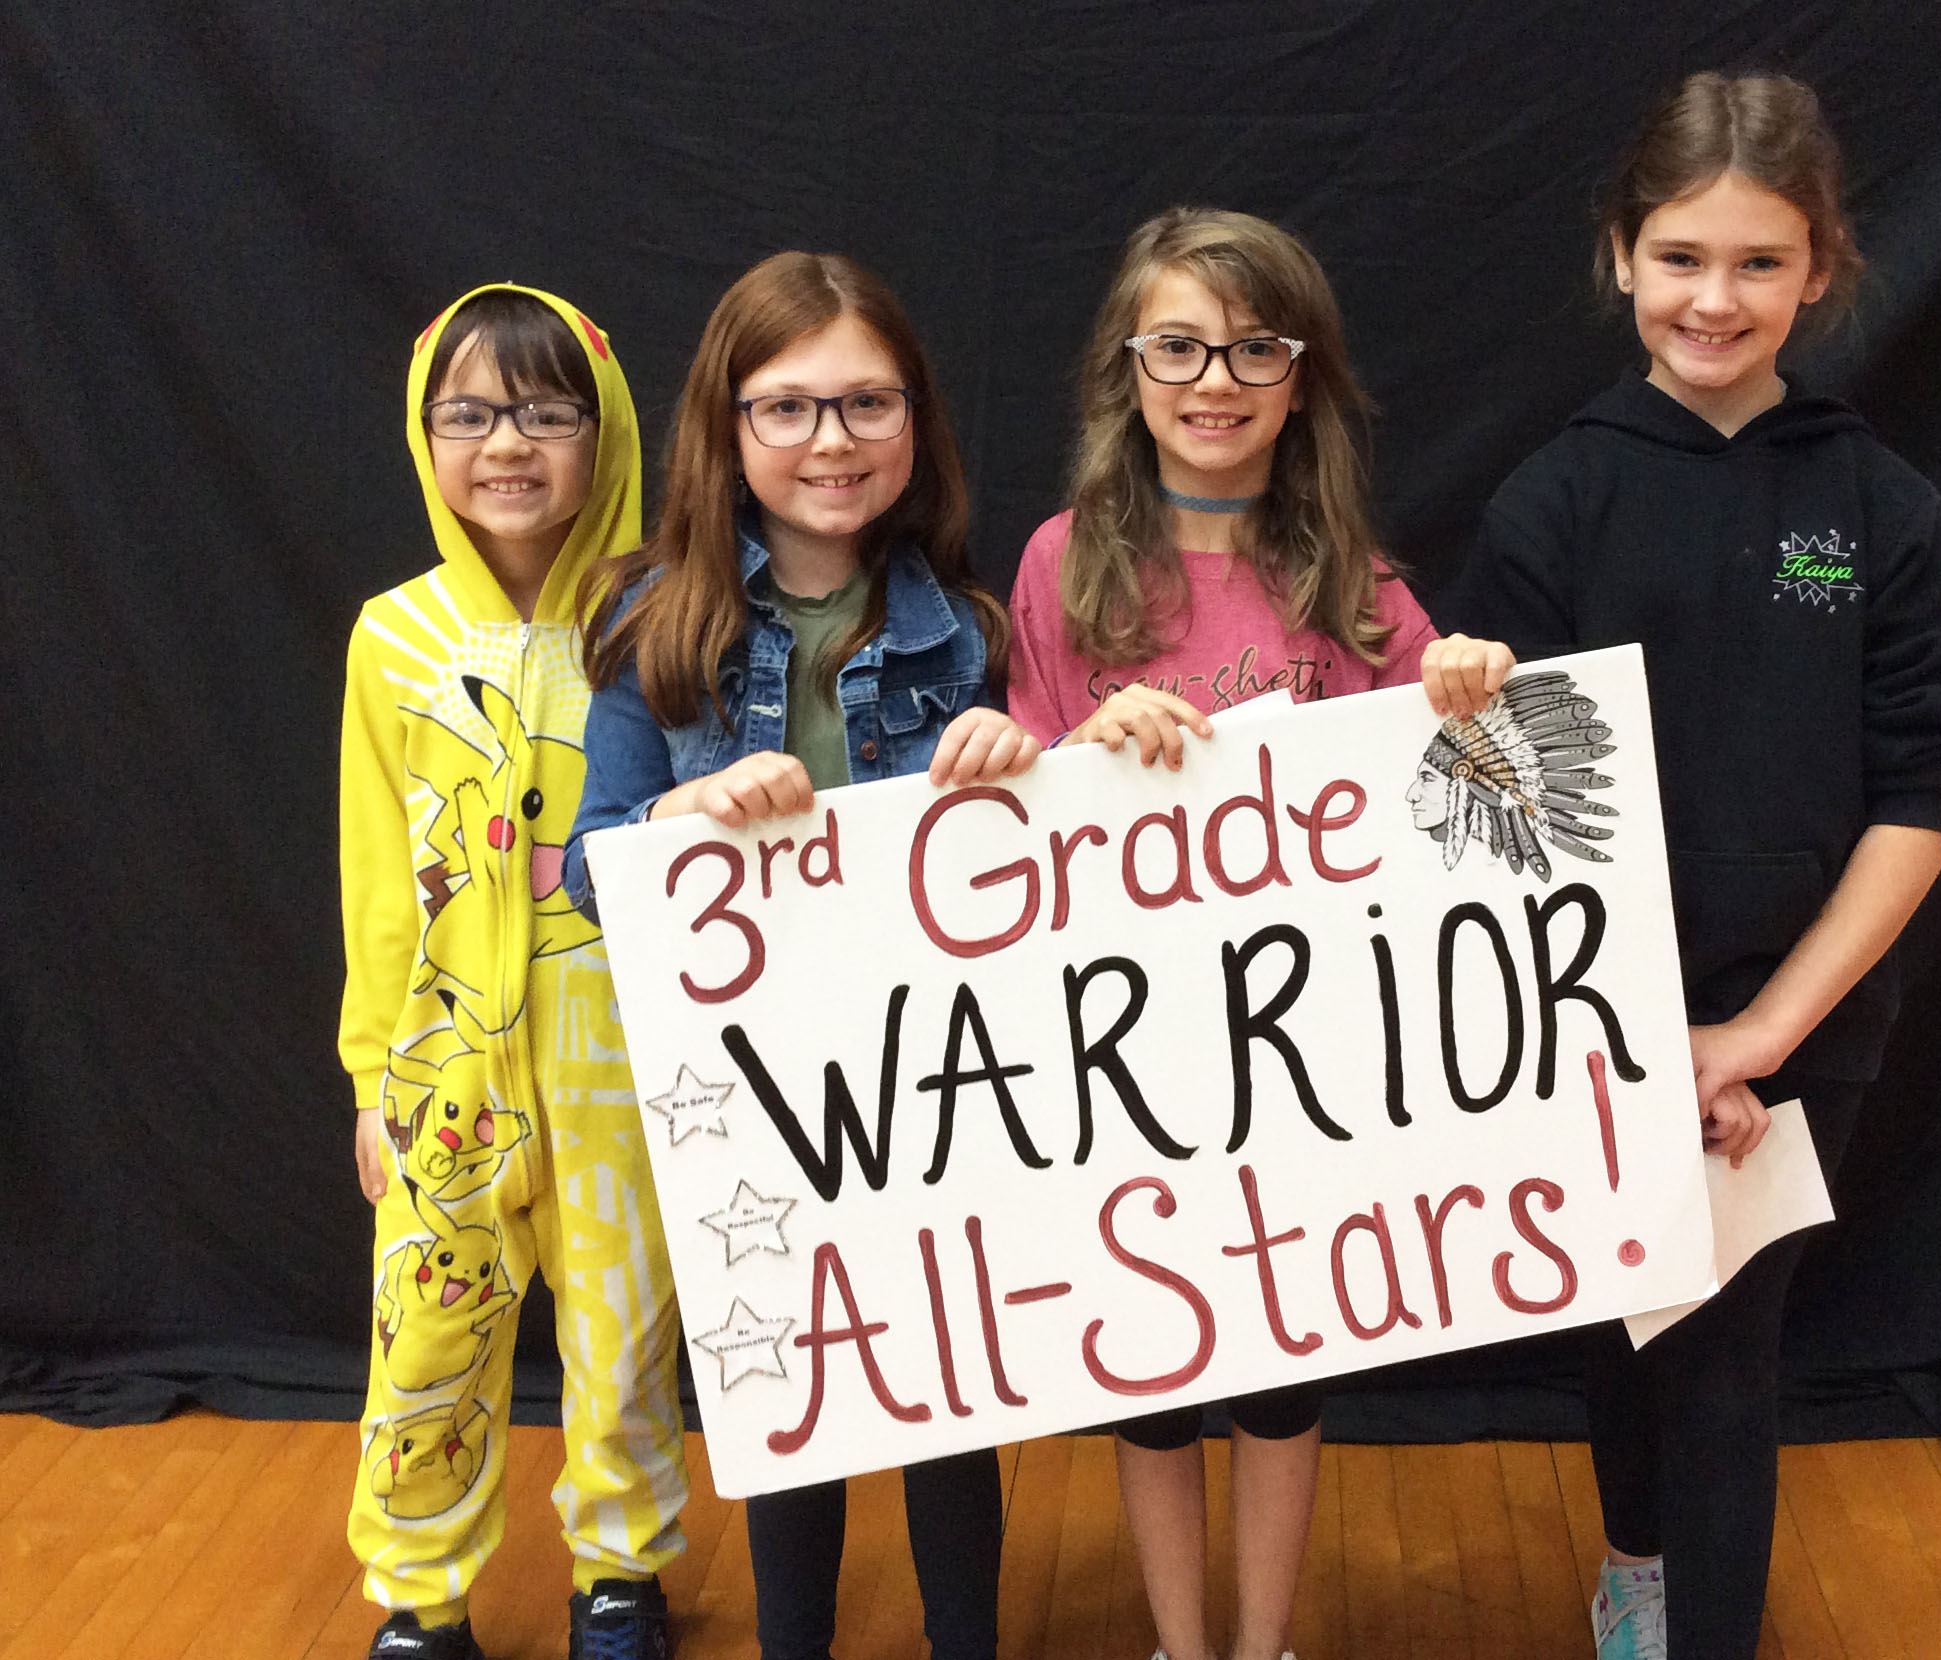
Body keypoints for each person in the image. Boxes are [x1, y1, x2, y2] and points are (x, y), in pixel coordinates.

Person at [1439, 73, 1941, 1660]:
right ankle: (1641, 1570)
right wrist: (1630, 1037)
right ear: (1624, 256)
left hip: (1792, 1022)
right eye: (1683, 256)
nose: (1717, 298)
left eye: (1760, 261)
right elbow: (1502, 805)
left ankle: (1707, 1631)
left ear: (1820, 269)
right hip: (1592, 1017)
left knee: (1729, 1352)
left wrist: (1758, 1040)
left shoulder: (1876, 506)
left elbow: (1924, 789)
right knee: (1631, 1325)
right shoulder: (1558, 493)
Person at [1006, 205, 1514, 1660]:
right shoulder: (1063, 563)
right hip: (1123, 1043)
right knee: (1153, 1377)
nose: (1214, 379)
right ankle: (1180, 1643)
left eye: (1253, 348)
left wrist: (1468, 668)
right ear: (1129, 370)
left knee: (1285, 1372)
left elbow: (1443, 735)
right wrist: (1087, 736)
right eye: (1180, 346)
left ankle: (1264, 1643)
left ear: (1301, 378)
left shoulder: (1347, 574)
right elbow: (1021, 793)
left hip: (1300, 1054)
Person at [563, 251, 1036, 1660]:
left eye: (866, 404)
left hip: (940, 1074)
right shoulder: (650, 619)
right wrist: (676, 813)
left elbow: (1044, 871)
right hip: (758, 1085)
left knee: (958, 1391)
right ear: (727, 426)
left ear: (916, 423)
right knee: (796, 1402)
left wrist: (1027, 757)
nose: (831, 442)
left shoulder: (973, 628)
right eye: (787, 408)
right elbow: (589, 863)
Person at [339, 283, 687, 1660]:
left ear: (604, 432)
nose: (507, 445)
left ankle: (623, 1575)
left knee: (624, 1336)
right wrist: (376, 1072)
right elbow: (377, 873)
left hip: (624, 1051)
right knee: (427, 1335)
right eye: (470, 414)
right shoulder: (395, 638)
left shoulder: (663, 611)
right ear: (426, 437)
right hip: (448, 1066)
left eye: (548, 412)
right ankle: (421, 1595)